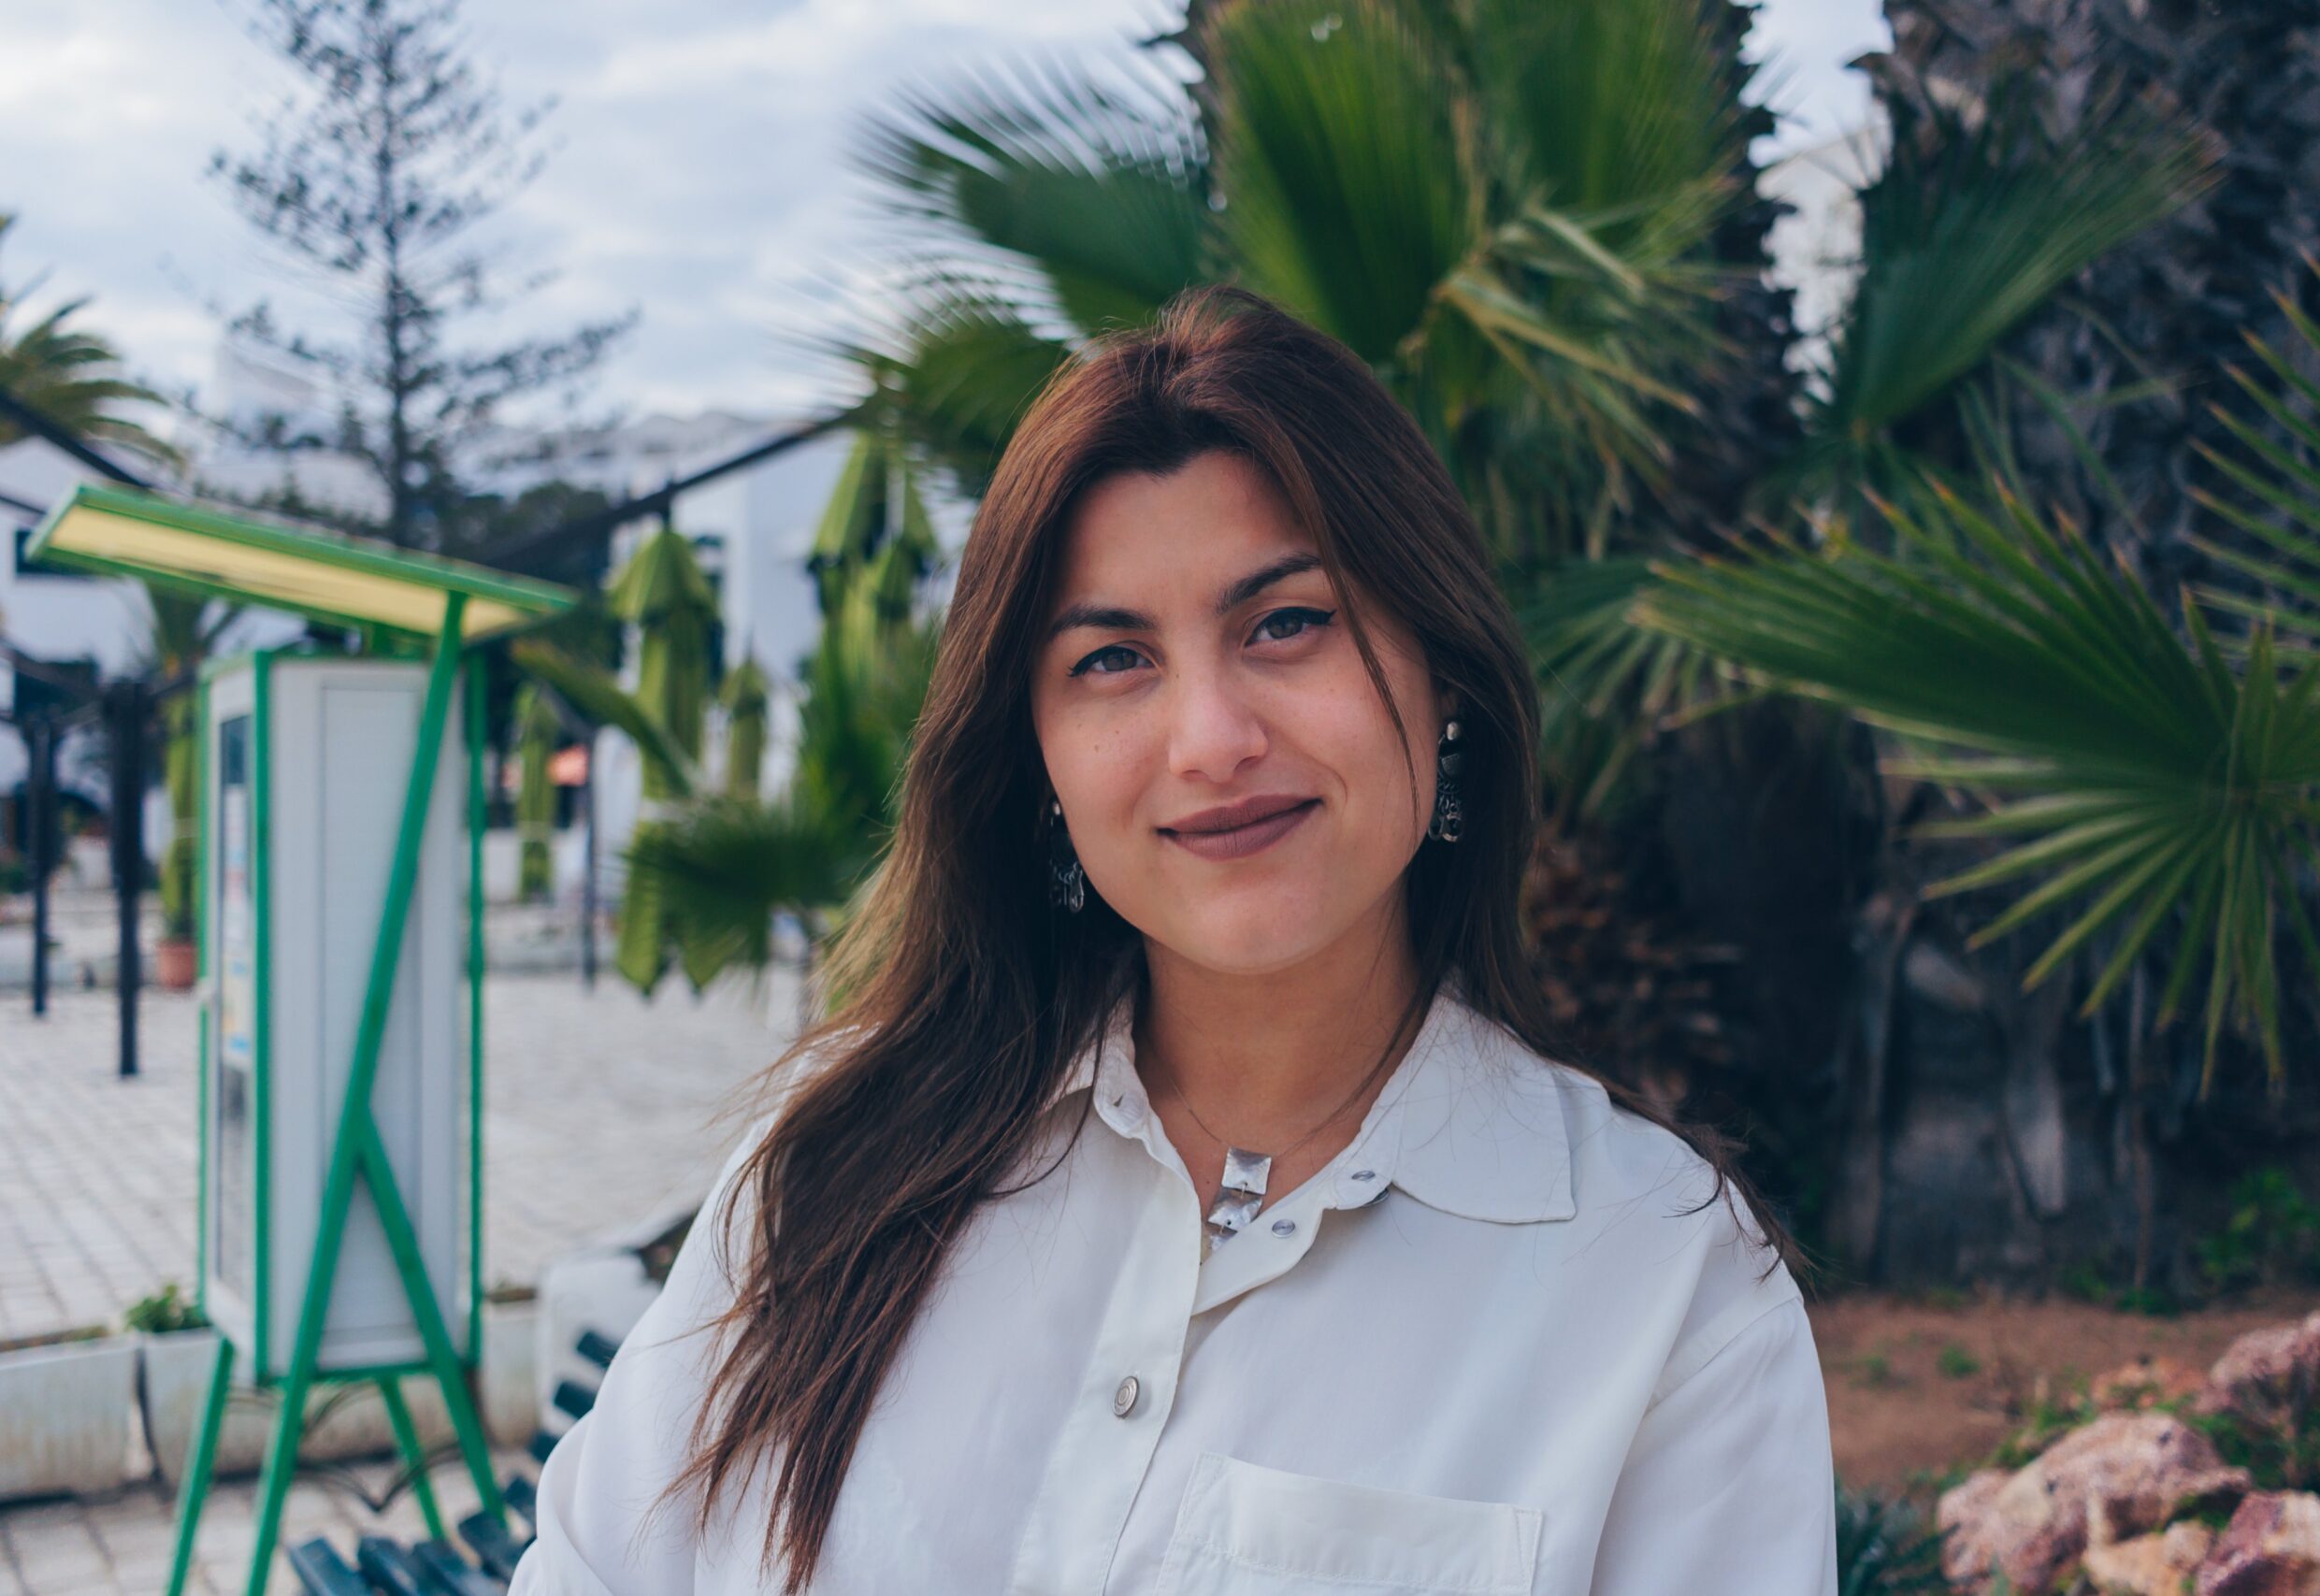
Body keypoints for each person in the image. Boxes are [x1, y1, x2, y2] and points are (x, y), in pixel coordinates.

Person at [508, 285, 1838, 1596]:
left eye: (1287, 624)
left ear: (1444, 685)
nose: (1211, 742)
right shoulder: (825, 1169)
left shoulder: (1664, 1293)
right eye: (1112, 661)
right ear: (1034, 756)